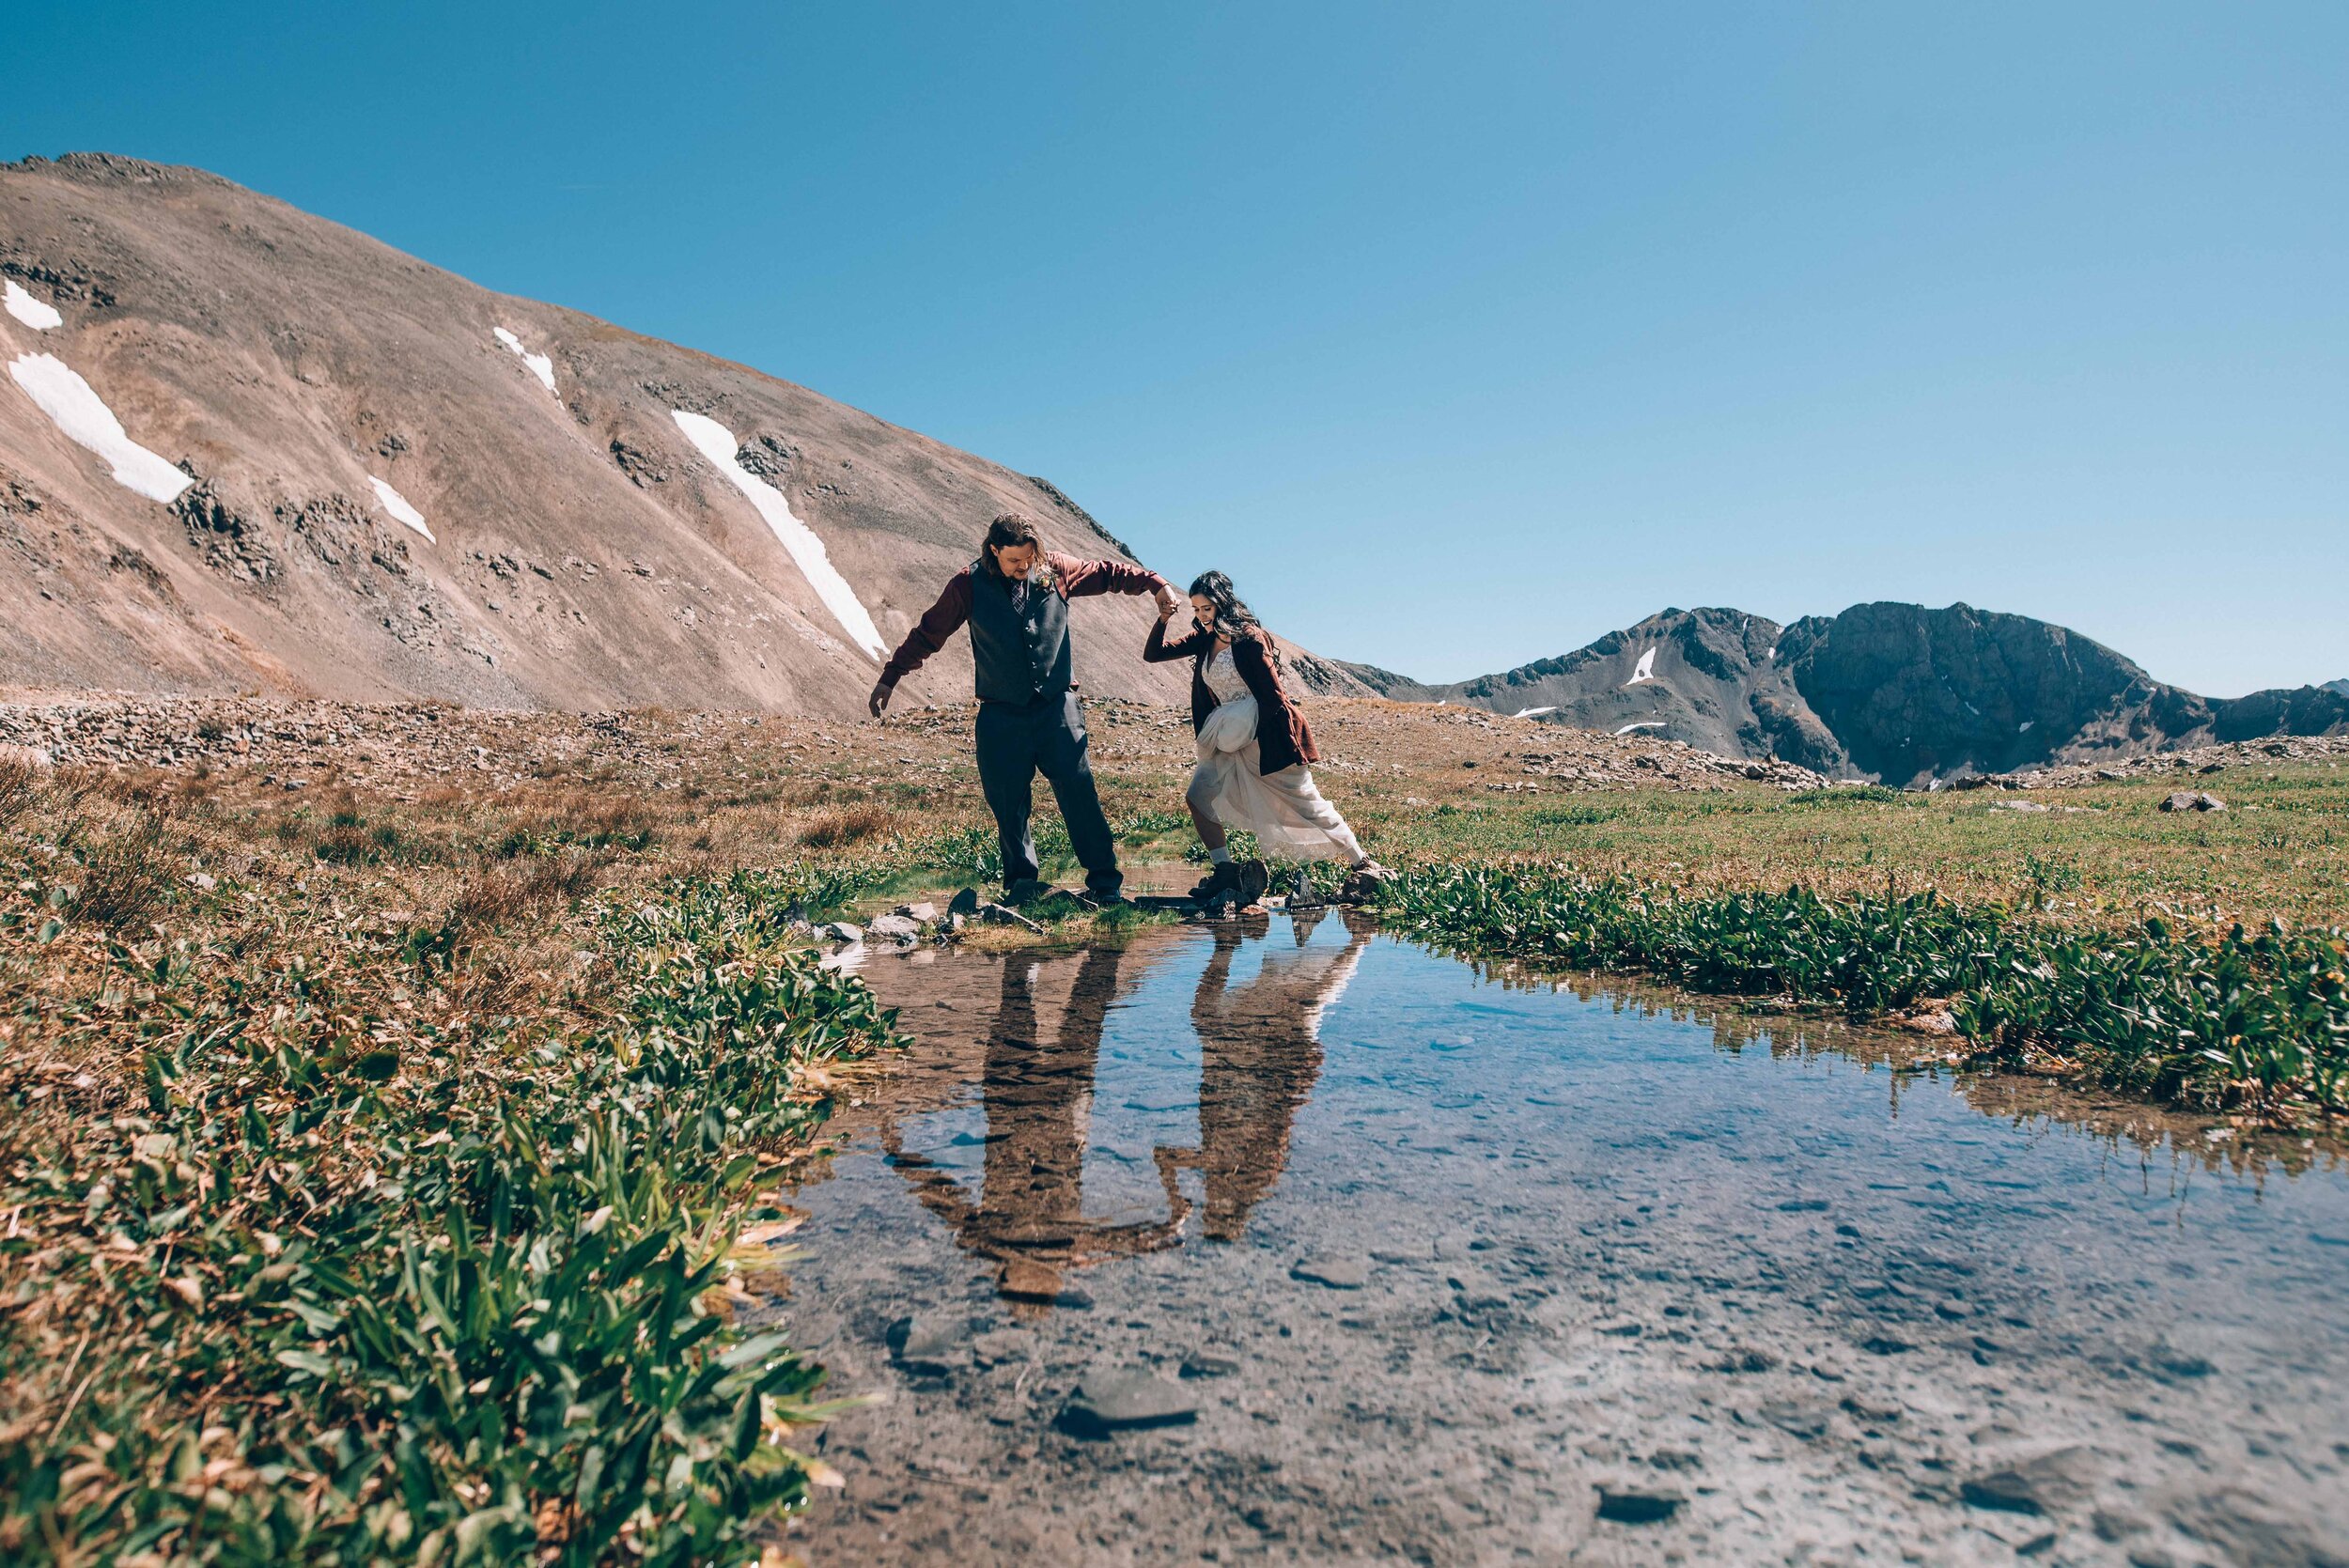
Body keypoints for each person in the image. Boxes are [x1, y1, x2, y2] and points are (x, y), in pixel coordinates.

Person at [871, 512, 1178, 902]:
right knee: (1009, 804)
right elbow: (929, 633)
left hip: (1057, 709)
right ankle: (1022, 886)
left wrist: (1156, 584)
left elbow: (1108, 573)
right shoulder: (967, 585)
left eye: (1029, 559)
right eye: (1014, 560)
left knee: (1079, 794)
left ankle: (1104, 884)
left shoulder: (1056, 570)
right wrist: (891, 675)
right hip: (1001, 715)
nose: (1023, 567)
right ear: (994, 550)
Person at [1144, 569, 1387, 901]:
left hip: (1264, 736)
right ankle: (1225, 872)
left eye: (1207, 609)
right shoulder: (1203, 637)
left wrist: (1253, 737)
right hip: (1226, 738)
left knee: (1306, 803)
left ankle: (1362, 863)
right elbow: (1153, 654)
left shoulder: (1249, 637)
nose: (1201, 616)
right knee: (1198, 797)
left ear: (1222, 604)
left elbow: (1273, 697)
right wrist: (1162, 619)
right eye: (1196, 610)